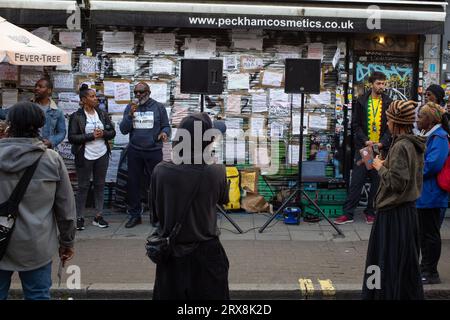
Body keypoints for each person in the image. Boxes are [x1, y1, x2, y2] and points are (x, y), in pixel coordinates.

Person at [0, 102, 76, 300]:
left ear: (9, 124)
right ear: (39, 125)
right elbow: (66, 209)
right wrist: (67, 242)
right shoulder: (52, 160)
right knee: (38, 295)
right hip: (36, 244)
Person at [150, 112, 229, 300]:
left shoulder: (160, 171)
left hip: (171, 253)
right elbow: (222, 201)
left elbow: (155, 216)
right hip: (207, 254)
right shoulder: (216, 171)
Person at [362, 100, 425, 300]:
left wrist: (379, 165)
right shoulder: (413, 144)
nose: (387, 124)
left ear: (397, 122)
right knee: (404, 265)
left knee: (381, 262)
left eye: (389, 120)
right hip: (406, 213)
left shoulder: (401, 146)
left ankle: (379, 296)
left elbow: (397, 182)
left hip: (393, 215)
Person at [335, 72, 392, 225]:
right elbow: (355, 125)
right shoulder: (361, 101)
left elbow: (390, 127)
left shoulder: (388, 102)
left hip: (379, 149)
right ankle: (348, 214)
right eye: (379, 83)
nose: (382, 86)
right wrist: (366, 141)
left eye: (383, 83)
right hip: (365, 149)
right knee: (357, 181)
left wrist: (382, 143)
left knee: (377, 181)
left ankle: (371, 212)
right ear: (371, 84)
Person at [119, 82, 170, 228]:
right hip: (135, 150)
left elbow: (166, 126)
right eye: (136, 92)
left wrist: (164, 133)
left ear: (148, 92)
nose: (138, 95)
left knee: (156, 184)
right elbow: (123, 130)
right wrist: (130, 115)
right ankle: (135, 215)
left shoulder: (158, 107)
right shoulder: (130, 107)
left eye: (141, 92)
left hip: (153, 151)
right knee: (133, 184)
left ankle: (157, 216)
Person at [68, 85, 116, 230]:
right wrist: (90, 136)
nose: (96, 99)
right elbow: (72, 137)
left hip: (102, 153)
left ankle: (98, 216)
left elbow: (112, 132)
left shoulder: (101, 114)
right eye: (92, 96)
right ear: (84, 100)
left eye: (95, 96)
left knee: (100, 185)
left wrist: (104, 134)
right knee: (83, 186)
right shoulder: (77, 116)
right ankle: (80, 217)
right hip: (85, 155)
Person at [416, 102, 450, 284]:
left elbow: (433, 165)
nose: (417, 119)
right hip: (425, 194)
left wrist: (413, 173)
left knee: (430, 234)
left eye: (421, 116)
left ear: (430, 120)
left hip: (432, 194)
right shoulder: (429, 134)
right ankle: (424, 269)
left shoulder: (440, 137)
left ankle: (431, 273)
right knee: (424, 233)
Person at [31, 78, 66, 149]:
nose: (37, 88)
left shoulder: (57, 111)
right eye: (36, 86)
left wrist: (51, 142)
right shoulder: (28, 107)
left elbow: (61, 132)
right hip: (30, 147)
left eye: (41, 87)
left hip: (48, 150)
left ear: (49, 90)